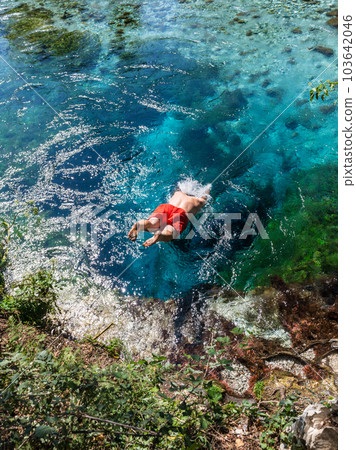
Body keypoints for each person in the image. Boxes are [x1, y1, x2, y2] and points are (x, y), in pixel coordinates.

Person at [128, 188, 210, 247]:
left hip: (167, 207)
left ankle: (138, 225)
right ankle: (160, 235)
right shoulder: (199, 200)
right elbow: (206, 195)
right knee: (171, 232)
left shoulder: (179, 193)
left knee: (152, 223)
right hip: (182, 213)